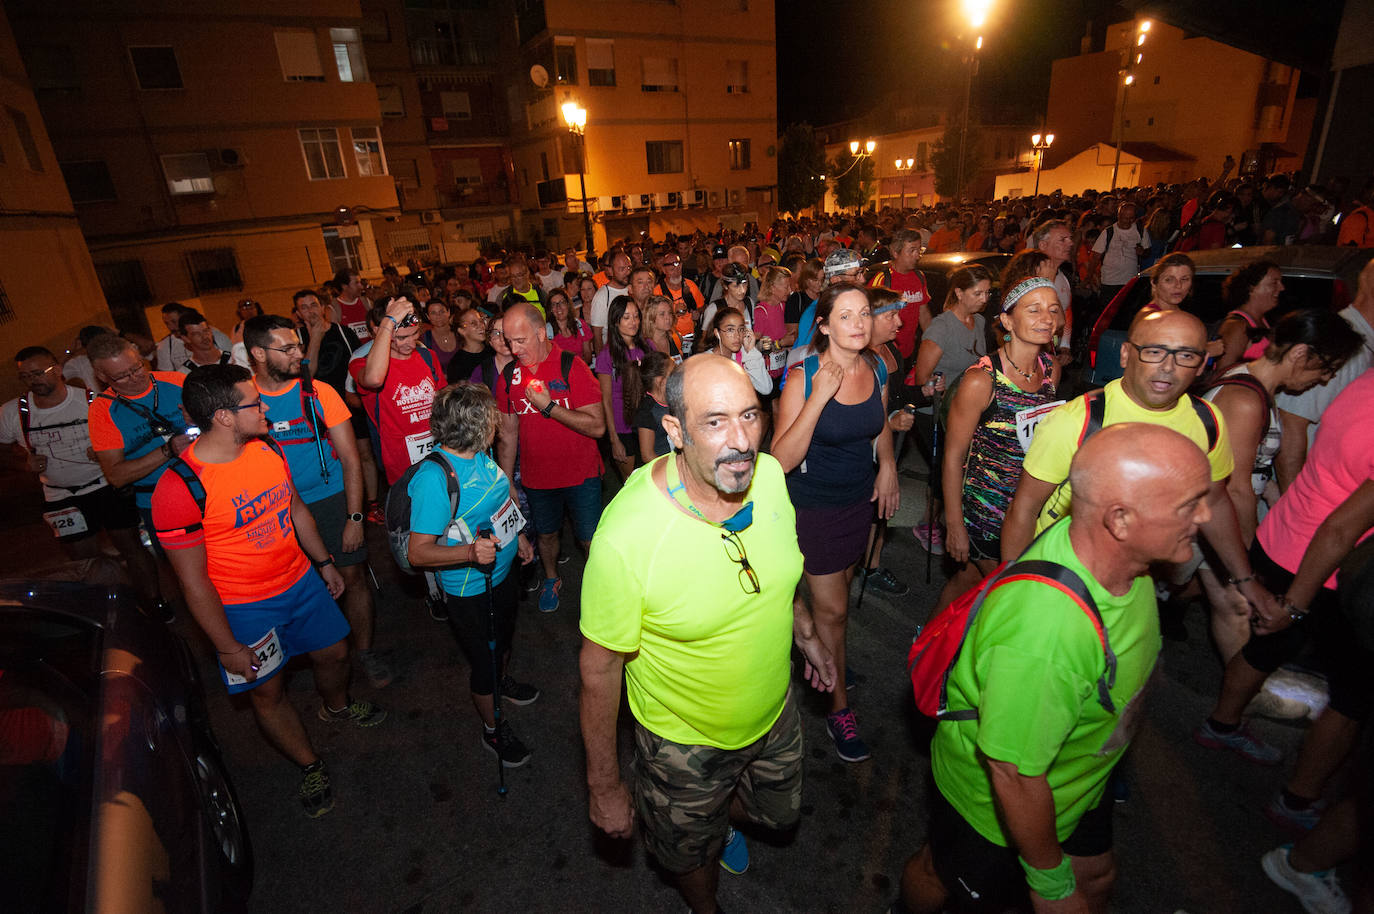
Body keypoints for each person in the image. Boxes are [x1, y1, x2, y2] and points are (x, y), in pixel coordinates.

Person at [895, 424, 1212, 914]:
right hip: (1000, 809)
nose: (1205, 515)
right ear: (1120, 520)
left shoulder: (1116, 552)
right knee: (939, 873)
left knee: (1099, 875)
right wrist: (1051, 885)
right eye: (1189, 505)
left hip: (1076, 778)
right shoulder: (1047, 634)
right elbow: (1013, 773)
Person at [578, 354, 836, 914]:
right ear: (674, 429)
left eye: (749, 416)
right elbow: (599, 669)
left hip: (774, 713)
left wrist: (807, 630)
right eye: (715, 422)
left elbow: (779, 569)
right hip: (683, 742)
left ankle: (709, 822)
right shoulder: (627, 536)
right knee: (686, 858)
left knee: (781, 814)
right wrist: (604, 785)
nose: (741, 440)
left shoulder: (768, 478)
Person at [152, 365, 383, 818]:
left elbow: (294, 507)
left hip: (301, 582)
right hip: (245, 608)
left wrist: (323, 563)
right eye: (253, 403)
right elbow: (192, 581)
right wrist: (226, 646)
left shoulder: (266, 448)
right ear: (222, 417)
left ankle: (336, 706)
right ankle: (309, 763)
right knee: (267, 691)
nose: (266, 410)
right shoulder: (179, 488)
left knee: (337, 654)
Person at [1000, 310, 1280, 628]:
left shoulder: (1209, 422)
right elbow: (1023, 510)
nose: (1168, 367)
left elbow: (1214, 502)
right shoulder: (1079, 422)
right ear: (1125, 354)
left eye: (1185, 355)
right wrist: (1016, 595)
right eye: (1154, 352)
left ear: (1203, 364)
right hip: (1061, 579)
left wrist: (1245, 579)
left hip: (1134, 586)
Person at [1197, 366, 1374, 816]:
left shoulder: (1364, 384)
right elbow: (1340, 530)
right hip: (1327, 568)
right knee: (1354, 695)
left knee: (1266, 647)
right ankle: (1299, 799)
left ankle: (1221, 725)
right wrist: (1295, 604)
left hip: (1284, 536)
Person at [772, 284, 899, 762]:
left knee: (838, 600)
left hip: (857, 500)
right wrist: (818, 398)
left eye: (864, 313)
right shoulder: (805, 374)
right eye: (845, 316)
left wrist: (886, 463)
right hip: (814, 507)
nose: (860, 323)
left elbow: (880, 421)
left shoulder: (877, 365)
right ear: (823, 326)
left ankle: (827, 651)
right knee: (834, 612)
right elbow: (780, 459)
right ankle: (837, 706)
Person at [244, 315, 392, 689]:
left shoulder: (319, 392)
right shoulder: (244, 400)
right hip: (274, 510)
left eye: (299, 344)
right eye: (289, 347)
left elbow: (350, 459)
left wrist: (355, 516)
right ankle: (325, 656)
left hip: (330, 500)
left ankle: (365, 651)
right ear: (258, 353)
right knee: (300, 588)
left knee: (352, 577)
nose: (300, 353)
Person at [406, 383, 538, 767]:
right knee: (484, 661)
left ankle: (500, 682)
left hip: (503, 572)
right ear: (478, 425)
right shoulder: (435, 478)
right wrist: (468, 553)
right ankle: (492, 728)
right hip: (469, 588)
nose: (498, 420)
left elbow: (499, 501)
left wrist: (520, 538)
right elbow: (418, 553)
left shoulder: (480, 455)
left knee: (504, 641)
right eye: (492, 415)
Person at [938, 278, 1064, 610]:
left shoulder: (1051, 369)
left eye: (1053, 310)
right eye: (1033, 309)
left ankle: (928, 647)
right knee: (1008, 597)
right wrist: (954, 525)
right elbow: (953, 457)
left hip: (1028, 505)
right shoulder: (982, 379)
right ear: (1007, 321)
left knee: (969, 582)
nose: (1046, 318)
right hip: (985, 511)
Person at [1, 345, 156, 594]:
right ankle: (108, 609)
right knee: (85, 561)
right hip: (59, 495)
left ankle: (154, 602)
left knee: (131, 546)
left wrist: (107, 452)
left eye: (39, 372)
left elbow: (131, 436)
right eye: (26, 376)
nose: (33, 380)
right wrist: (22, 464)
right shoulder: (13, 412)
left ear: (58, 369)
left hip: (105, 486)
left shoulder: (91, 401)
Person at [495, 302, 605, 613]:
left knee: (589, 538)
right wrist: (507, 482)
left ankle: (602, 584)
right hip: (537, 476)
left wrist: (549, 407)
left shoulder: (572, 365)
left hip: (581, 473)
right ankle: (551, 578)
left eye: (521, 340)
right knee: (545, 534)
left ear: (541, 333)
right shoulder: (509, 375)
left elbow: (597, 426)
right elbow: (508, 432)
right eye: (508, 341)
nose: (514, 349)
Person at [86, 333, 197, 617]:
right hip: (159, 503)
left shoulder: (175, 381)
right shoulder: (102, 411)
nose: (135, 378)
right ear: (101, 375)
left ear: (139, 355)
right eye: (121, 376)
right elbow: (116, 475)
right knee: (191, 577)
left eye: (137, 368)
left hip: (206, 487)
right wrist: (167, 451)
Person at [1274, 258, 1374, 491]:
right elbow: (1291, 424)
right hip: (1304, 505)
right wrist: (1293, 505)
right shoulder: (1342, 345)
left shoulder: (1357, 343)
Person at [349, 296, 446, 486]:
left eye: (415, 334)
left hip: (439, 457)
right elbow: (374, 379)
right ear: (379, 331)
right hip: (401, 469)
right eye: (401, 337)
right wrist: (389, 320)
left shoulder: (428, 356)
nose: (411, 343)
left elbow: (443, 402)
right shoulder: (361, 364)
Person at [910, 265, 993, 394]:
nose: (984, 299)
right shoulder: (941, 327)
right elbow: (921, 380)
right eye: (977, 294)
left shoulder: (979, 321)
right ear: (959, 293)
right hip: (942, 408)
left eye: (987, 292)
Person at [596, 295, 650, 479]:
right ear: (615, 321)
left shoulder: (648, 346)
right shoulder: (607, 356)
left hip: (648, 423)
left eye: (636, 316)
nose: (633, 322)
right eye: (626, 317)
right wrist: (613, 439)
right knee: (631, 482)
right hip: (622, 427)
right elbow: (606, 399)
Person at [1214, 260, 1283, 375]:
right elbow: (1222, 374)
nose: (1281, 288)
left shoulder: (1263, 321)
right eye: (1274, 283)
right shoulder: (1237, 326)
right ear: (1252, 288)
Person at [700, 306, 772, 398]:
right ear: (717, 333)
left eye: (741, 329)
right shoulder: (706, 363)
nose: (737, 336)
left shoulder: (746, 356)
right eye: (730, 330)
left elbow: (766, 388)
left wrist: (751, 351)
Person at [1091, 203, 1150, 308]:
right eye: (1124, 218)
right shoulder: (1108, 232)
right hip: (1109, 280)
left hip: (1129, 280)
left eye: (1131, 218)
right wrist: (1089, 277)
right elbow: (1096, 256)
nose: (1127, 221)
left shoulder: (1140, 231)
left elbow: (1147, 251)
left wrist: (1142, 252)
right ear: (1118, 216)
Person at [153, 302, 231, 372]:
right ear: (186, 338)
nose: (171, 327)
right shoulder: (164, 346)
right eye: (167, 323)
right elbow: (168, 377)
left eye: (174, 321)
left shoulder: (216, 335)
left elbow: (231, 354)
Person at [655, 250, 705, 354]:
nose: (676, 272)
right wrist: (673, 311)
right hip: (669, 338)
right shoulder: (658, 291)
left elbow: (702, 306)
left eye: (678, 268)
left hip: (691, 338)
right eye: (672, 269)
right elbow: (653, 318)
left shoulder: (690, 285)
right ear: (664, 270)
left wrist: (698, 312)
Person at [633, 351, 674, 463]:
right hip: (662, 470)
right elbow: (647, 455)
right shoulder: (647, 411)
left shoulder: (672, 399)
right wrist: (672, 468)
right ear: (659, 381)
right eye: (673, 373)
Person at [587, 251, 632, 352]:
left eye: (629, 267)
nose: (628, 272)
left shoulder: (633, 289)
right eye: (622, 269)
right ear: (610, 271)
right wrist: (602, 363)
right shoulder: (601, 296)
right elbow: (597, 334)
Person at [700, 263, 756, 334]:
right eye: (736, 286)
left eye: (744, 284)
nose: (742, 290)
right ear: (725, 286)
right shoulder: (714, 309)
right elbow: (705, 340)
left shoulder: (749, 303)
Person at [547, 289, 593, 363]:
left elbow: (588, 356)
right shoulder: (547, 332)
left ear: (568, 305)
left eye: (562, 302)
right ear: (551, 309)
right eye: (554, 304)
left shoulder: (580, 325)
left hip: (581, 370)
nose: (558, 307)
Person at [420, 298, 461, 374]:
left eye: (442, 311)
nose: (438, 316)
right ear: (428, 316)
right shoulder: (425, 339)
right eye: (433, 313)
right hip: (440, 384)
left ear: (448, 312)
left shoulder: (460, 333)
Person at [642, 294, 683, 364]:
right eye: (662, 314)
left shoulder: (674, 338)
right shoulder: (644, 346)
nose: (668, 318)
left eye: (670, 313)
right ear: (651, 317)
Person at [332, 269, 371, 342]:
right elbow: (335, 339)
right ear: (344, 286)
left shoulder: (366, 302)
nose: (361, 286)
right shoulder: (334, 308)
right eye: (356, 283)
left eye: (360, 282)